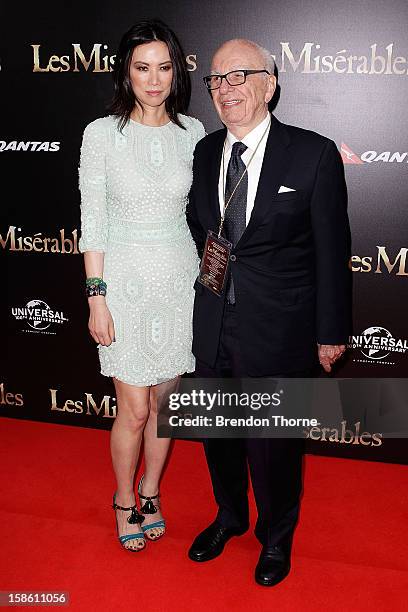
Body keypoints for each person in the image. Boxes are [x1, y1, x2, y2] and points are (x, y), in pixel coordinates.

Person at [186, 39, 351, 585]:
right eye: (215, 80)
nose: (224, 88)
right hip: (213, 323)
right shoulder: (206, 152)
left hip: (279, 329)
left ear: (270, 84)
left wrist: (330, 332)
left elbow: (332, 250)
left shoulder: (313, 153)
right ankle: (230, 516)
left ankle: (276, 536)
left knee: (274, 447)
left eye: (239, 76)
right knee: (220, 437)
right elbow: (203, 230)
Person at [79, 19, 205, 552]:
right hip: (124, 283)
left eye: (163, 67)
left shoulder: (195, 133)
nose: (153, 80)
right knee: (132, 408)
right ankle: (124, 500)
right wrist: (97, 296)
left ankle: (152, 491)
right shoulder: (101, 134)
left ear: (176, 70)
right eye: (141, 67)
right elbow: (93, 220)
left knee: (165, 405)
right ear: (125, 72)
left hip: (180, 279)